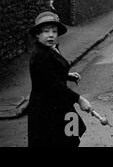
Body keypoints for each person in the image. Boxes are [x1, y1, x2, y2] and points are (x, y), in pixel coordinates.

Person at [28, 11, 92, 147]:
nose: (51, 35)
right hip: (47, 110)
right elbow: (53, 85)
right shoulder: (40, 56)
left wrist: (67, 75)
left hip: (60, 104)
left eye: (54, 31)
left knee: (72, 136)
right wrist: (79, 99)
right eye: (46, 31)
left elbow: (51, 72)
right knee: (58, 142)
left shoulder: (51, 48)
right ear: (37, 34)